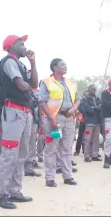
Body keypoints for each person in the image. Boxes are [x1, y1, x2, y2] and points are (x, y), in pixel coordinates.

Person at [0, 35, 38, 209]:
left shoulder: (21, 63)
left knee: (21, 155)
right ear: (12, 45)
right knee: (9, 154)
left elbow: (33, 83)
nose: (25, 45)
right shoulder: (9, 62)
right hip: (13, 112)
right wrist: (30, 89)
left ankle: (15, 191)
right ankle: (1, 195)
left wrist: (33, 62)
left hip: (23, 112)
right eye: (21, 43)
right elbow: (22, 85)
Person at [39, 58, 80, 188]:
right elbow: (42, 102)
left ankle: (67, 176)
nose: (65, 67)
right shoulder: (46, 82)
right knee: (52, 148)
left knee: (67, 148)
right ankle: (50, 178)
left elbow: (78, 99)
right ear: (54, 67)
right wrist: (52, 119)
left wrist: (73, 109)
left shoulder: (71, 82)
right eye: (62, 65)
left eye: (66, 65)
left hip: (69, 119)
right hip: (55, 120)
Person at [79, 84, 102, 163]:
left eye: (95, 89)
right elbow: (87, 109)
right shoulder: (84, 99)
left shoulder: (98, 98)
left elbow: (100, 107)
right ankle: (87, 155)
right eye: (92, 89)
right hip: (89, 122)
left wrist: (94, 108)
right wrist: (95, 108)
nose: (94, 91)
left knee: (96, 139)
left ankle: (95, 155)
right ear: (88, 89)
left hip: (97, 122)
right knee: (87, 139)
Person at [24, 88, 42, 177]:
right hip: (21, 116)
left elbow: (38, 106)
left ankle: (29, 168)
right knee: (22, 144)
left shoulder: (35, 92)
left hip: (33, 118)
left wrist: (40, 121)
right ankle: (18, 169)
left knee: (31, 145)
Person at [74, 91, 88, 156]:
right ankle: (77, 151)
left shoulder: (91, 101)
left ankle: (85, 150)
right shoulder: (81, 102)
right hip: (82, 121)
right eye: (85, 94)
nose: (86, 95)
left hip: (89, 121)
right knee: (80, 136)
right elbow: (80, 109)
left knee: (87, 137)